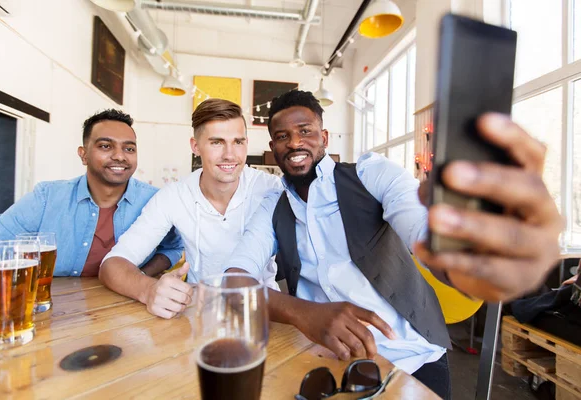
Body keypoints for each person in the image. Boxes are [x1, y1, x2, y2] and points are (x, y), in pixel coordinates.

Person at [225, 90, 562, 399]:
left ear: (324, 137)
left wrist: (472, 253)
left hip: (411, 358)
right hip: (328, 360)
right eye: (283, 137)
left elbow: (421, 229)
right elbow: (233, 280)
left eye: (305, 131)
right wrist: (304, 313)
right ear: (273, 148)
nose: (295, 142)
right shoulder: (272, 205)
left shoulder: (371, 175)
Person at [99, 99, 282, 319]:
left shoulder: (272, 189)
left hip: (266, 311)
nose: (230, 154)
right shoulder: (174, 195)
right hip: (199, 313)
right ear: (195, 146)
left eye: (238, 142)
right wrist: (148, 290)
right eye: (217, 142)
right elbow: (112, 265)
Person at [0, 109, 182, 277]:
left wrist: (138, 277)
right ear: (83, 154)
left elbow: (173, 248)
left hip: (126, 306)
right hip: (56, 308)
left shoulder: (156, 200)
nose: (120, 156)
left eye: (129, 149)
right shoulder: (47, 197)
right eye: (105, 146)